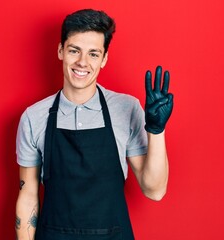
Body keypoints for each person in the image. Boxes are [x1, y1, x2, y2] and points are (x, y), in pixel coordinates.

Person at [15, 9, 173, 240]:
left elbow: (155, 190)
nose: (82, 62)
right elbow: (28, 195)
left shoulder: (126, 108)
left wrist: (156, 130)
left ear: (105, 58)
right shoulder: (34, 117)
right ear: (61, 51)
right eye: (74, 50)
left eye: (93, 54)